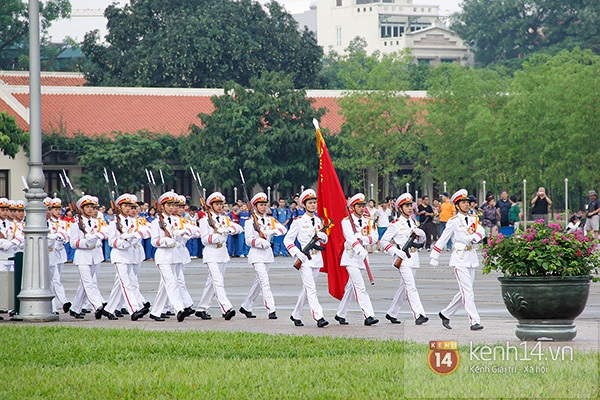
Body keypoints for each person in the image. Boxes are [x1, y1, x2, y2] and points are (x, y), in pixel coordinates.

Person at [430, 189, 485, 331]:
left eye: (467, 202)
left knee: (465, 291)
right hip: (459, 258)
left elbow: (481, 231)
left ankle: (446, 313)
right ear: (457, 205)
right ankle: (474, 321)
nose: (467, 205)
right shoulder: (453, 221)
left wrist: (474, 237)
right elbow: (443, 239)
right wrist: (435, 255)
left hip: (471, 257)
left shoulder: (473, 218)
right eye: (463, 203)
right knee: (468, 292)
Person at [380, 193, 429, 325]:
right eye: (406, 206)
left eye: (410, 205)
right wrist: (396, 252)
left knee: (403, 287)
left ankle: (392, 313)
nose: (409, 208)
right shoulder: (395, 224)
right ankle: (419, 314)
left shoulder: (413, 222)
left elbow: (419, 242)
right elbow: (383, 241)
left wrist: (422, 236)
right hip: (403, 259)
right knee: (411, 287)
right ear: (401, 208)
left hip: (413, 258)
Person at [284, 189, 329, 328]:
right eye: (310, 203)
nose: (313, 205)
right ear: (304, 205)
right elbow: (288, 240)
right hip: (304, 259)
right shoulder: (298, 221)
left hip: (316, 258)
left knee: (307, 289)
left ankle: (296, 314)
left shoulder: (319, 221)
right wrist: (298, 254)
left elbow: (325, 241)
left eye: (314, 202)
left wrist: (323, 237)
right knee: (311, 289)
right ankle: (319, 316)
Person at [195, 192, 242, 321]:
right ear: (210, 206)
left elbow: (238, 228)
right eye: (216, 204)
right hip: (211, 252)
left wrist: (227, 230)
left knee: (212, 282)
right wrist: (218, 237)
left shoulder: (224, 219)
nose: (220, 206)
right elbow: (204, 239)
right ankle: (226, 308)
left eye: (221, 204)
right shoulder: (205, 220)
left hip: (222, 253)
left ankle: (201, 308)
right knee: (218, 281)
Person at [239, 192, 287, 319]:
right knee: (265, 282)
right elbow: (248, 240)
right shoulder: (250, 221)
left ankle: (246, 306)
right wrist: (260, 242)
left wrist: (270, 232)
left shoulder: (270, 220)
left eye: (265, 204)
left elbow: (283, 229)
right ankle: (271, 309)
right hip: (256, 254)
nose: (263, 207)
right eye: (261, 205)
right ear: (255, 206)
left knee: (259, 283)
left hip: (267, 255)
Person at [335, 193, 379, 326]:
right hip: (351, 257)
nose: (361, 208)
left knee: (350, 287)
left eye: (362, 206)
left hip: (363, 257)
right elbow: (350, 238)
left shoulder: (369, 221)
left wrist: (362, 239)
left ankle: (340, 314)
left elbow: (375, 237)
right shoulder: (346, 221)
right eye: (358, 206)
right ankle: (369, 315)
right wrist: (359, 247)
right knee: (360, 287)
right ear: (352, 207)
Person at [69, 195, 114, 320]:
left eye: (92, 207)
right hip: (83, 255)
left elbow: (106, 232)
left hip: (95, 256)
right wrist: (85, 242)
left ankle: (75, 308)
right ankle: (98, 306)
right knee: (88, 282)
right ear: (81, 209)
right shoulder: (75, 224)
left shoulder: (97, 221)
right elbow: (73, 243)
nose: (90, 209)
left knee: (85, 283)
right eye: (87, 207)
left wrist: (96, 237)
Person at [104, 194, 148, 321]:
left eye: (130, 206)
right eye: (125, 206)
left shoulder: (135, 221)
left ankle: (108, 309)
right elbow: (111, 241)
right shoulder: (114, 223)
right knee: (126, 283)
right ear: (119, 207)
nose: (128, 208)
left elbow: (143, 232)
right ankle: (134, 309)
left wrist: (133, 238)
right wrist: (122, 243)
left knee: (120, 284)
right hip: (119, 255)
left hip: (131, 255)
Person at [148, 192, 190, 322]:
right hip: (164, 257)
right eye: (169, 205)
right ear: (162, 206)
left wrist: (181, 235)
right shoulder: (156, 222)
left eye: (173, 205)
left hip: (176, 256)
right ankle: (179, 309)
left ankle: (155, 312)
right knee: (171, 283)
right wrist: (166, 241)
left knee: (165, 285)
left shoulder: (177, 220)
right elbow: (154, 241)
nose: (172, 208)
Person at [47, 198, 71, 316]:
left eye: (59, 209)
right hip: (47, 253)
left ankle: (61, 303)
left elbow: (67, 235)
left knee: (56, 279)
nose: (57, 211)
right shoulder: (47, 223)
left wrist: (61, 238)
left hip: (58, 254)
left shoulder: (63, 222)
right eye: (54, 209)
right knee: (51, 281)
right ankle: (55, 305)